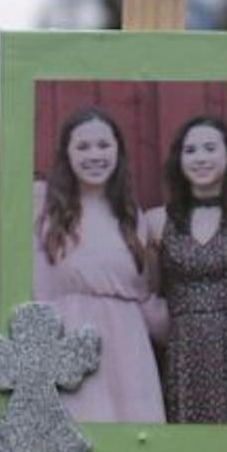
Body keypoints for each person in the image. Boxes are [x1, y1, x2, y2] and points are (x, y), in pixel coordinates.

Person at [142, 116, 227, 424]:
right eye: (190, 150)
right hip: (186, 352)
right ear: (179, 159)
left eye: (209, 148)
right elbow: (148, 293)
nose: (200, 158)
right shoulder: (155, 222)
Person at [33, 106, 165, 422]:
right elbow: (35, 286)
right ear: (66, 154)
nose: (95, 155)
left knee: (134, 448)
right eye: (83, 146)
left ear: (118, 151)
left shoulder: (131, 215)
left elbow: (144, 296)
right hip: (70, 344)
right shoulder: (43, 205)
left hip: (130, 352)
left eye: (104, 145)